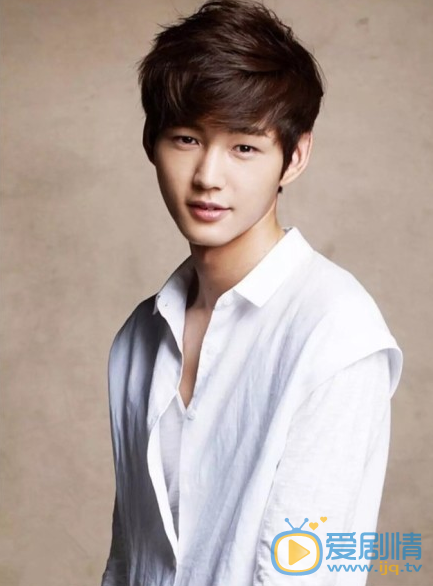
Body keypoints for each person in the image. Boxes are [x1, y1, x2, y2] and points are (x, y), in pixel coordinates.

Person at [101, 1, 403, 585]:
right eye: (186, 138)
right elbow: (130, 558)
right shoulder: (138, 337)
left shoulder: (335, 332)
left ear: (295, 156)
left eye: (244, 147)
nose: (208, 176)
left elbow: (309, 570)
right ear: (151, 143)